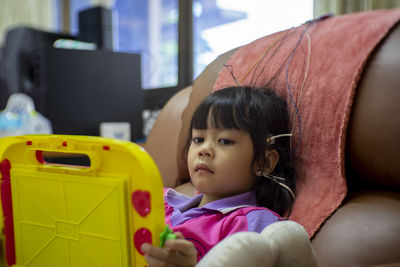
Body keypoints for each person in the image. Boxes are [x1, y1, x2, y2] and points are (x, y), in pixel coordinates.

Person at [141, 86, 296, 266]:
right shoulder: (158, 200)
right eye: (198, 139)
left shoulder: (251, 223)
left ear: (265, 162)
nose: (204, 150)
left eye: (225, 141)